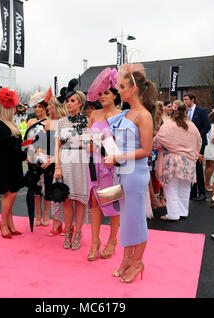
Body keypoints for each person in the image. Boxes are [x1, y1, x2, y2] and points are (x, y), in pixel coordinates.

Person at [105, 64, 154, 283]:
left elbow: (146, 150)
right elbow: (122, 144)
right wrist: (110, 150)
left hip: (135, 175)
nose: (119, 91)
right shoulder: (127, 113)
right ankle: (126, 259)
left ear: (133, 89)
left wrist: (118, 157)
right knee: (125, 219)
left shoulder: (144, 115)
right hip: (122, 172)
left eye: (122, 87)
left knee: (135, 219)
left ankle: (138, 262)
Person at [85, 67, 122, 262]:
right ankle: (94, 242)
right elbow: (86, 141)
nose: (101, 96)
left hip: (112, 166)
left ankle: (112, 240)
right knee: (95, 204)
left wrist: (106, 142)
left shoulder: (122, 115)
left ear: (116, 94)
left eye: (106, 92)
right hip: (93, 164)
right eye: (100, 93)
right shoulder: (94, 114)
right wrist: (89, 144)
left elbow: (123, 145)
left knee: (112, 203)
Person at [54, 79, 89, 251]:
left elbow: (93, 145)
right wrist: (57, 166)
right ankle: (68, 232)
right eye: (67, 101)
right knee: (67, 200)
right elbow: (57, 147)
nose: (69, 103)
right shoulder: (61, 122)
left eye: (72, 100)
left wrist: (86, 142)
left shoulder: (88, 121)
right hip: (66, 163)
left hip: (82, 163)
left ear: (80, 103)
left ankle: (79, 233)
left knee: (80, 201)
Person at [154, 100, 202, 221]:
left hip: (172, 161)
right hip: (189, 161)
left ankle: (173, 214)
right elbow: (199, 142)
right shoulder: (192, 126)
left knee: (171, 188)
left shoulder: (168, 125)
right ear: (185, 111)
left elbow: (157, 141)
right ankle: (183, 211)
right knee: (185, 189)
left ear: (173, 110)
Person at [0, 88, 26, 238]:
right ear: (5, 109)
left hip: (13, 163)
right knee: (9, 194)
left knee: (11, 194)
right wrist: (25, 154)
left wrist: (24, 150)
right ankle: (3, 223)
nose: (14, 111)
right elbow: (9, 147)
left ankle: (9, 224)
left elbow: (14, 146)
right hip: (6, 164)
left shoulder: (9, 124)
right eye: (11, 108)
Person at [43, 96, 69, 237]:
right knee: (54, 195)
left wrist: (53, 160)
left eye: (50, 106)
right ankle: (56, 223)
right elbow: (42, 144)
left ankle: (66, 223)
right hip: (49, 164)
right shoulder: (47, 123)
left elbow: (64, 146)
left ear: (57, 106)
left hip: (62, 162)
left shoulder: (66, 122)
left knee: (65, 195)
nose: (48, 108)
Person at [25, 91, 51, 227]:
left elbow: (51, 141)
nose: (37, 109)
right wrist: (29, 156)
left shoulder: (50, 121)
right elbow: (27, 141)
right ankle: (38, 215)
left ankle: (46, 215)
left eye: (40, 106)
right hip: (32, 158)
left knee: (46, 187)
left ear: (45, 107)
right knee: (35, 188)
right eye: (35, 107)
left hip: (45, 157)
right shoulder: (30, 121)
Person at [183, 94, 211, 201]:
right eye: (184, 99)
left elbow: (207, 126)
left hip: (199, 143)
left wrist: (196, 134)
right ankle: (193, 191)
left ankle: (202, 192)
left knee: (198, 167)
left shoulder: (201, 111)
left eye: (186, 99)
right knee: (191, 167)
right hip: (188, 143)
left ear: (192, 100)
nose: (184, 101)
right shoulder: (184, 112)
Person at [204, 110, 214, 192]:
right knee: (212, 166)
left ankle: (206, 183)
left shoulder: (210, 125)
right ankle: (207, 184)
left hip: (207, 146)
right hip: (212, 147)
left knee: (208, 166)